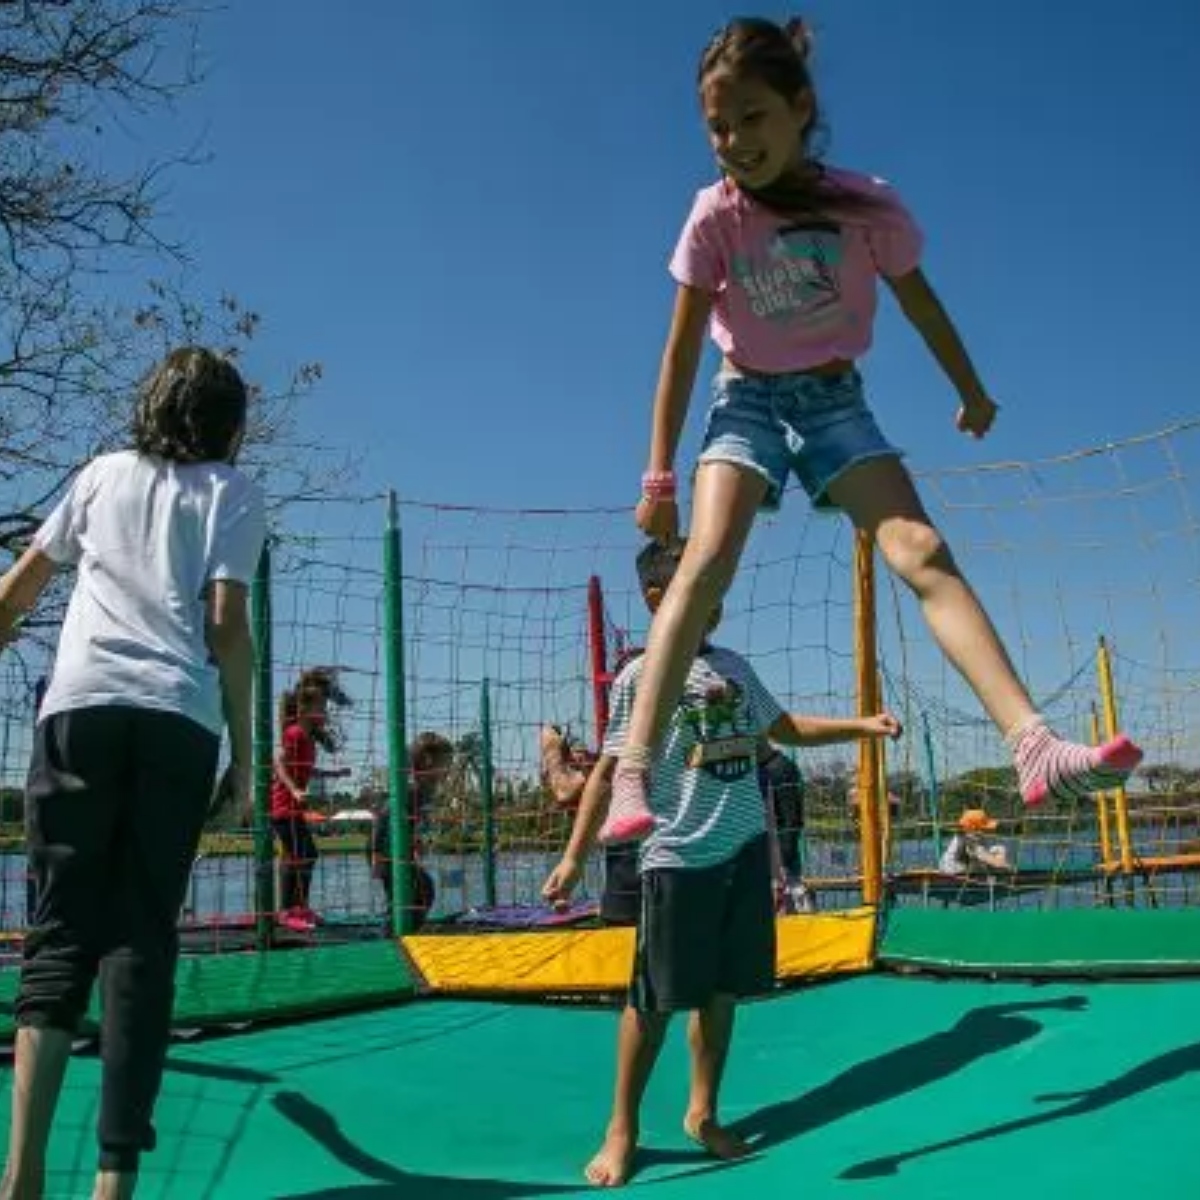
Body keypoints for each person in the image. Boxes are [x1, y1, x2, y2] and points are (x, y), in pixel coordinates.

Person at [599, 15, 1142, 845]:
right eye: (718, 124)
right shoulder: (714, 217)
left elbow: (921, 303)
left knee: (921, 553)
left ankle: (1032, 745)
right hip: (743, 396)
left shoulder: (865, 205)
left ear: (799, 109)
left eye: (753, 117)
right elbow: (678, 353)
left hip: (834, 403)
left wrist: (972, 391)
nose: (735, 139)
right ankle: (634, 766)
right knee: (705, 562)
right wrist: (657, 477)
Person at [541, 539, 899, 1187]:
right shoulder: (639, 678)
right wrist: (572, 858)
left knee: (723, 992)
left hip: (741, 849)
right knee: (653, 1001)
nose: (721, 598)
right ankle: (622, 1127)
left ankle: (702, 1112)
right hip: (678, 856)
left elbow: (782, 727)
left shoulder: (732, 665)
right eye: (706, 584)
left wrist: (862, 726)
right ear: (660, 599)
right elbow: (607, 773)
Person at [0, 347, 266, 1200]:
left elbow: (20, 588)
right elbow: (227, 625)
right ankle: (113, 1186)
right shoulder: (232, 491)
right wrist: (244, 757)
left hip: (77, 710)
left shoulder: (100, 475)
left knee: (57, 935)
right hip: (176, 719)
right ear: (232, 421)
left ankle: (21, 1176)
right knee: (139, 942)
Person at [270, 668, 353, 933]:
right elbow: (279, 761)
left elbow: (306, 768)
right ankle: (287, 911)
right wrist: (294, 789)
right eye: (321, 706)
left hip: (293, 808)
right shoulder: (294, 733)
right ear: (305, 709)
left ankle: (299, 907)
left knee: (305, 854)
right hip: (282, 807)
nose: (325, 711)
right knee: (301, 855)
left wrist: (333, 773)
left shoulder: (308, 740)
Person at [370, 731, 453, 930]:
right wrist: (376, 855)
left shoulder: (427, 789)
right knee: (408, 891)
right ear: (428, 761)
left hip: (399, 848)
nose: (449, 768)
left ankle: (411, 927)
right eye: (446, 762)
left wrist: (413, 844)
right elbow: (382, 818)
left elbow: (410, 822)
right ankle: (393, 932)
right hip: (385, 849)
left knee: (422, 887)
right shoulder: (410, 788)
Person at [938, 808, 1013, 875]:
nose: (987, 830)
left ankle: (997, 874)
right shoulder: (969, 839)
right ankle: (999, 875)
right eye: (984, 828)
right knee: (985, 860)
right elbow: (984, 856)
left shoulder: (970, 835)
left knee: (999, 849)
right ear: (973, 828)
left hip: (956, 866)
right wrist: (1006, 866)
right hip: (953, 871)